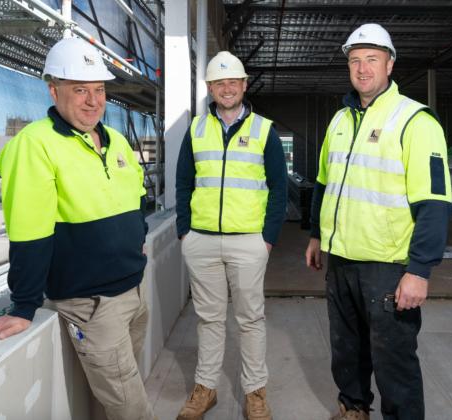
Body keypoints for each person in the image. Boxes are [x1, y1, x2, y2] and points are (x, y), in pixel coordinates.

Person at [0, 37, 155, 420]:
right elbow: (30, 230)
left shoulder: (114, 139)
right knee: (133, 410)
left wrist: (139, 242)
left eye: (98, 90)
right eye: (79, 89)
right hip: (92, 305)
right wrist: (24, 305)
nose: (92, 100)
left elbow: (136, 198)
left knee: (125, 394)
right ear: (53, 90)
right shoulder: (34, 145)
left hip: (133, 291)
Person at [305, 23, 452, 420]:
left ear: (390, 64)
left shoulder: (415, 122)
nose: (362, 68)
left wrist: (419, 271)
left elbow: (435, 204)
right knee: (347, 349)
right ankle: (353, 408)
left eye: (372, 59)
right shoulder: (340, 121)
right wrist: (318, 235)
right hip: (341, 260)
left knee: (394, 362)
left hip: (388, 266)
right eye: (355, 60)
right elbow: (324, 182)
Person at [175, 51, 287, 420]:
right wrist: (184, 233)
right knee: (208, 318)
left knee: (250, 319)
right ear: (210, 87)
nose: (227, 88)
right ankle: (206, 388)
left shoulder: (264, 130)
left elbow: (279, 188)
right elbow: (182, 183)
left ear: (244, 85)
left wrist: (266, 238)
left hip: (248, 241)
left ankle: (255, 392)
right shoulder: (195, 129)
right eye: (219, 82)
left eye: (233, 82)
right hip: (201, 241)